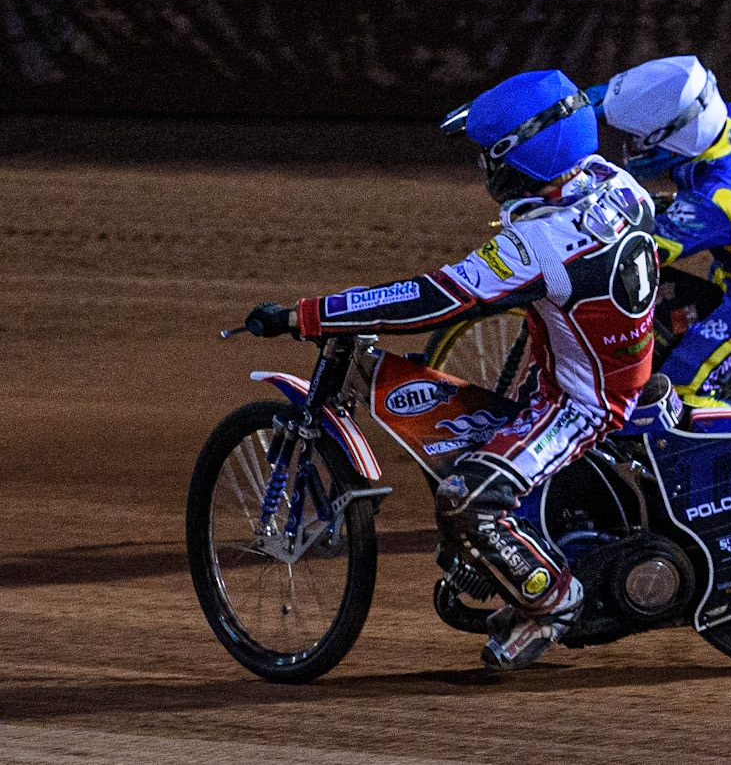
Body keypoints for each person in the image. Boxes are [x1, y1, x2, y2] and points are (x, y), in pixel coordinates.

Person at [243, 69, 659, 670]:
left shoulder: (540, 242)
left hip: (582, 404)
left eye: (487, 155)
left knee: (466, 499)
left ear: (518, 157)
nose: (482, 169)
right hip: (612, 359)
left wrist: (310, 314)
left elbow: (433, 298)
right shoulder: (612, 181)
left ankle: (554, 601)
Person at [592, 55, 731, 407]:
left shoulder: (717, 202)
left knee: (683, 388)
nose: (633, 147)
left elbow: (642, 247)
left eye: (641, 140)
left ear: (678, 136)